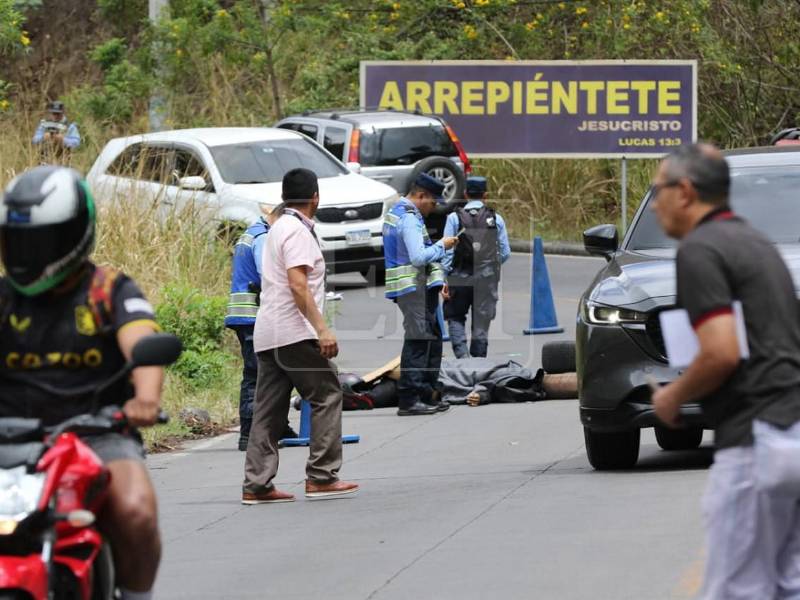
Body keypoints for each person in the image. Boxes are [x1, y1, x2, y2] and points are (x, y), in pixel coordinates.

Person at [0, 166, 164, 600]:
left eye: (39, 242)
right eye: (16, 241)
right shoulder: (3, 297)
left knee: (136, 511)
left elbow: (141, 342)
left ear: (74, 235)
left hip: (95, 435)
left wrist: (145, 398)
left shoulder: (108, 290)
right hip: (8, 440)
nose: (25, 254)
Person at [650, 143, 800, 599]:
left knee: (736, 590)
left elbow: (720, 351)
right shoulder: (756, 242)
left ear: (686, 191)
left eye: (658, 190)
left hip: (755, 442)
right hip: (792, 429)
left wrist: (672, 397)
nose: (655, 203)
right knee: (788, 584)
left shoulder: (701, 249)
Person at [243, 168, 358, 504]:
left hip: (268, 331)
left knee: (268, 410)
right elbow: (297, 284)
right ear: (315, 197)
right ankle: (322, 476)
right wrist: (322, 328)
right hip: (293, 331)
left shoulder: (278, 227)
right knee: (327, 393)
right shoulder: (296, 231)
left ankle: (257, 483)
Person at [383, 173, 459, 416]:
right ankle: (410, 397)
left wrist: (439, 278)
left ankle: (426, 393)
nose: (433, 207)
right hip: (412, 288)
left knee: (431, 337)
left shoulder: (397, 213)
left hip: (414, 288)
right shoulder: (409, 219)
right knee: (419, 340)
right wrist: (442, 246)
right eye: (433, 201)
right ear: (421, 195)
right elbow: (417, 257)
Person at [224, 203, 296, 451]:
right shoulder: (264, 237)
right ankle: (249, 432)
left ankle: (277, 426)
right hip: (253, 316)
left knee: (273, 373)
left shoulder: (252, 232)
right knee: (257, 375)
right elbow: (269, 275)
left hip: (247, 316)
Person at [441, 176, 510, 358]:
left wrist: (445, 277)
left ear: (465, 194)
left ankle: (463, 358)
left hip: (459, 276)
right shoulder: (496, 219)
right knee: (481, 321)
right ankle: (478, 363)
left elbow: (447, 252)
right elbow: (505, 252)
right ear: (485, 195)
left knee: (455, 317)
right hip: (486, 278)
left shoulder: (454, 218)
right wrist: (490, 267)